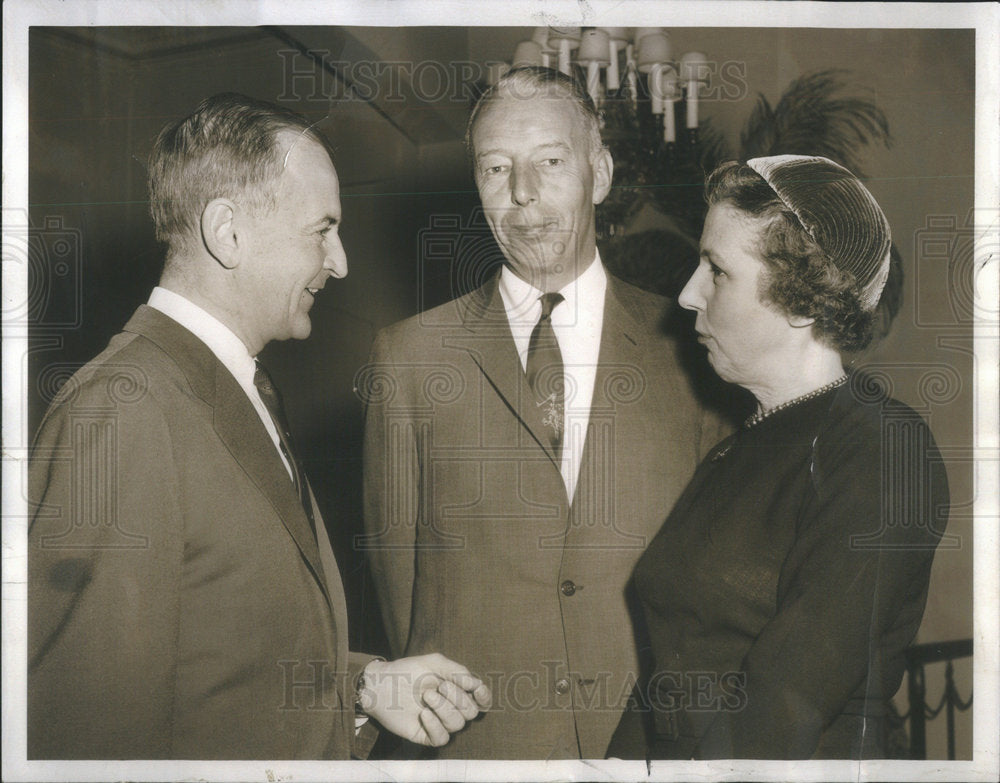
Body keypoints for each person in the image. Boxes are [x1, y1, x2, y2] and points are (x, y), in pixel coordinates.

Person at [27, 93, 489, 760]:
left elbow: (220, 652)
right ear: (228, 231)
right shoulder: (123, 408)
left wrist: (364, 682)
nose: (340, 261)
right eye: (321, 229)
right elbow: (86, 735)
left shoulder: (227, 388)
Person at [359, 67, 726, 759]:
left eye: (549, 162)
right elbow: (399, 595)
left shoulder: (694, 349)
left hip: (652, 752)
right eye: (496, 168)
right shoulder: (408, 359)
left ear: (602, 172)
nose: (522, 193)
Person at [607, 155, 951, 760]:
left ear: (803, 301)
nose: (687, 293)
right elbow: (665, 685)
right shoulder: (732, 450)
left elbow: (785, 703)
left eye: (717, 271)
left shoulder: (881, 446)